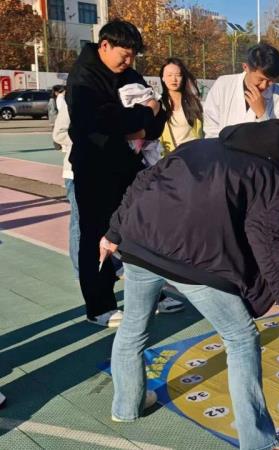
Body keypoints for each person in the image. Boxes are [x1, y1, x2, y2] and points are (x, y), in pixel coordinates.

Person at [104, 119, 279, 450]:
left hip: (139, 244)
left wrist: (114, 232)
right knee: (241, 339)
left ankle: (126, 406)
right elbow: (270, 246)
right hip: (195, 262)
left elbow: (142, 183)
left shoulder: (197, 147)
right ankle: (258, 443)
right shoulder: (265, 174)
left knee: (133, 327)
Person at [66, 19, 168, 327]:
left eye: (133, 55)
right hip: (94, 169)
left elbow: (158, 117)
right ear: (105, 45)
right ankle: (99, 306)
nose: (129, 61)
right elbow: (101, 122)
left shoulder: (130, 74)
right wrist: (145, 112)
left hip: (130, 167)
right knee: (96, 236)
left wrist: (142, 123)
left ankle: (151, 293)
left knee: (140, 231)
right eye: (124, 54)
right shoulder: (83, 78)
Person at [203, 43, 279, 138]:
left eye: (270, 81)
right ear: (246, 67)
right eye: (260, 79)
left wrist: (263, 115)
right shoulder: (223, 85)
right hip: (221, 147)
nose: (264, 86)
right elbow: (211, 128)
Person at [52, 86, 79, 279]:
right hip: (75, 173)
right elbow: (59, 134)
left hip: (104, 172)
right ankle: (81, 270)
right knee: (79, 222)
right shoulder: (72, 102)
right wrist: (88, 138)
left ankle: (111, 264)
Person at [159, 57, 204, 153]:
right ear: (163, 78)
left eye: (178, 75)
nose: (174, 79)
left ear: (183, 77)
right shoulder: (159, 103)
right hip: (169, 157)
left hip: (194, 155)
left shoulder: (194, 102)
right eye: (169, 75)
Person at [49, 85, 65, 149]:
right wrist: (57, 119)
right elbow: (53, 111)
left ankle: (58, 145)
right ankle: (57, 145)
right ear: (56, 92)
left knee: (57, 132)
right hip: (55, 119)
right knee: (56, 132)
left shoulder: (56, 99)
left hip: (55, 118)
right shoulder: (53, 100)